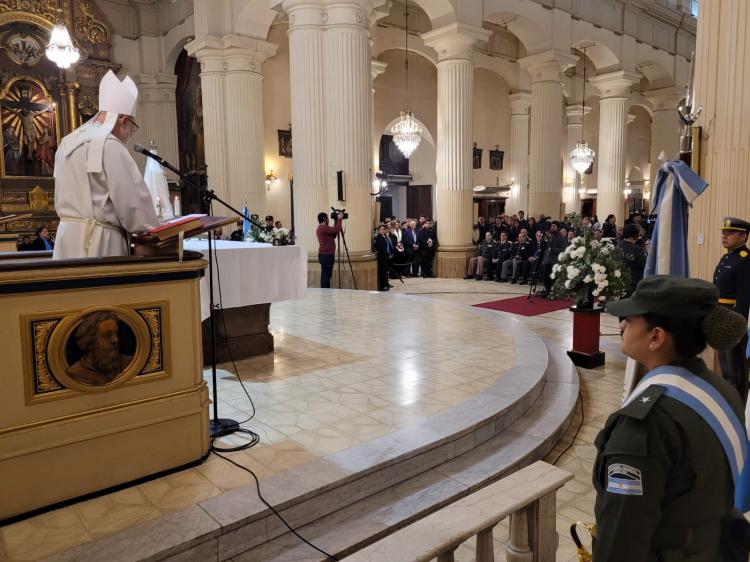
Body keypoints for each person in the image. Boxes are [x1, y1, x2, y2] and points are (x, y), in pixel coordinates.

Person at [594, 276, 749, 562]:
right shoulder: (721, 390)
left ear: (656, 337)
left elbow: (623, 537)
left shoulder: (646, 424)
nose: (621, 325)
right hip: (713, 548)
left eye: (630, 319)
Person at [53, 70, 158, 259]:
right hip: (100, 241)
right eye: (132, 128)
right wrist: (152, 227)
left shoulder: (66, 143)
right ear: (123, 121)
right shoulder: (111, 145)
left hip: (67, 237)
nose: (130, 134)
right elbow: (132, 205)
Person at [713, 216, 750, 402]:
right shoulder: (728, 257)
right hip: (721, 317)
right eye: (724, 232)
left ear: (744, 237)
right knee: (726, 367)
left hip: (733, 320)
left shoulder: (745, 260)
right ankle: (728, 401)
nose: (725, 235)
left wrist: (738, 327)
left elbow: (744, 297)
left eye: (730, 232)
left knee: (736, 370)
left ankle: (738, 404)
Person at [67, 311, 133, 386]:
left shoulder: (128, 362)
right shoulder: (77, 372)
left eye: (116, 333)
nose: (116, 339)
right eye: (108, 335)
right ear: (90, 340)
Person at [617, 223, 647, 294]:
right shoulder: (636, 249)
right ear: (635, 235)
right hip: (634, 284)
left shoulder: (618, 245)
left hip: (620, 281)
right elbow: (645, 266)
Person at [316, 211, 342, 289]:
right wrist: (339, 219)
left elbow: (333, 235)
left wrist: (336, 223)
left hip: (325, 255)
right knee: (326, 276)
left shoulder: (321, 228)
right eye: (327, 218)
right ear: (324, 219)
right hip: (326, 256)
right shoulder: (323, 228)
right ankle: (325, 294)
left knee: (325, 275)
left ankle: (324, 293)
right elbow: (337, 230)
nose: (328, 220)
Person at [374, 224, 393, 291]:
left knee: (386, 271)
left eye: (383, 229)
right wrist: (387, 254)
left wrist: (390, 253)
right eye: (381, 229)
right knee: (382, 272)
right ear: (379, 231)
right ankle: (383, 286)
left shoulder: (385, 236)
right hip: (382, 257)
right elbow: (379, 248)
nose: (382, 231)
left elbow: (388, 246)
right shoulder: (378, 238)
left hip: (386, 256)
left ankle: (386, 283)